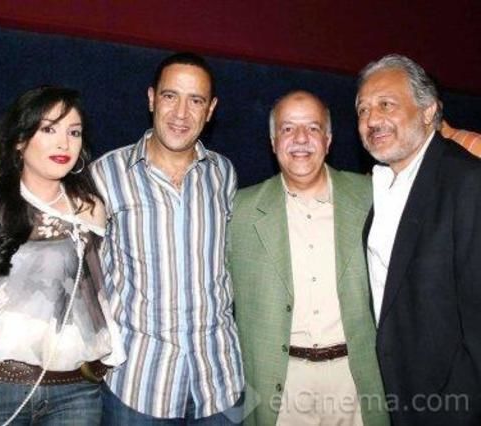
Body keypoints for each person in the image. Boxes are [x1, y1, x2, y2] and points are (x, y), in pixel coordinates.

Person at [91, 52, 244, 424]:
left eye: (196, 100)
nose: (181, 113)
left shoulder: (224, 174)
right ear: (151, 99)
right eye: (170, 96)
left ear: (211, 110)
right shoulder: (105, 174)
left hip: (220, 383)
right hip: (138, 385)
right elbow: (83, 279)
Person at [229, 91, 388, 426]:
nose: (300, 139)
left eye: (313, 128)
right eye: (287, 129)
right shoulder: (239, 211)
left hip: (355, 381)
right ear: (273, 142)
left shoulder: (373, 198)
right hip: (281, 387)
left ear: (328, 140)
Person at [0, 86, 125, 425]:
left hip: (76, 389)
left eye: (73, 132)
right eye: (49, 129)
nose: (64, 143)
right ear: (20, 140)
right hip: (0, 385)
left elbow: (98, 293)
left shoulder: (90, 207)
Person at [356, 54, 481, 425]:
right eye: (363, 109)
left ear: (429, 112)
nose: (371, 119)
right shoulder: (381, 186)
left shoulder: (468, 183)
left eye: (386, 104)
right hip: (399, 397)